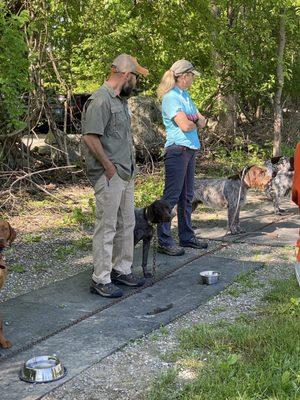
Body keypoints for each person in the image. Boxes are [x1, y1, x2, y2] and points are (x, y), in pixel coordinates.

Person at [82, 54, 149, 298]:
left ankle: (121, 269)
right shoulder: (100, 100)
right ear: (125, 74)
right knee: (107, 225)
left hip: (125, 172)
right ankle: (100, 278)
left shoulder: (120, 101)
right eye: (135, 76)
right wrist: (108, 167)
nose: (136, 81)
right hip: (109, 174)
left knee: (127, 222)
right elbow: (90, 137)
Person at [156, 59, 208, 256]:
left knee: (186, 196)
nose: (193, 79)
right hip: (177, 150)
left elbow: (202, 121)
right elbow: (186, 126)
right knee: (171, 196)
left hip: (190, 149)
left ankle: (186, 236)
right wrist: (193, 121)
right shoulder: (171, 98)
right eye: (192, 75)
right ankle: (164, 240)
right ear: (184, 76)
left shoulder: (185, 96)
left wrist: (193, 120)